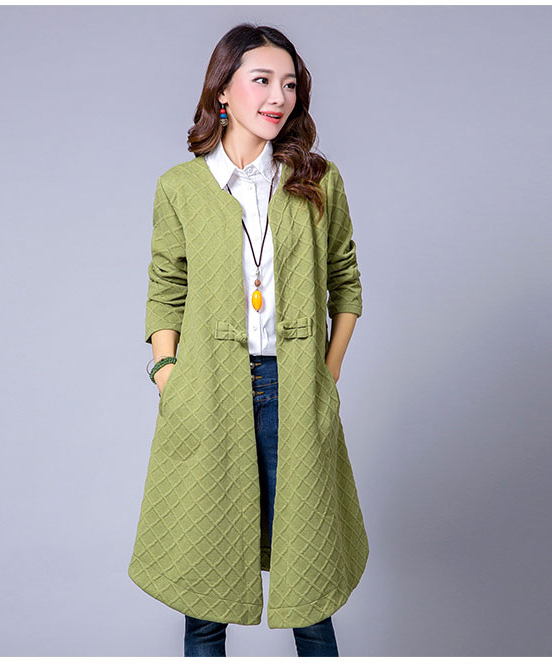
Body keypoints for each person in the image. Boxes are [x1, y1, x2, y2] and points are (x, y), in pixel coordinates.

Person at [128, 23, 369, 657]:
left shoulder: (318, 180)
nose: (278, 97)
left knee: (309, 588)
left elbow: (345, 284)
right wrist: (167, 374)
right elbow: (165, 288)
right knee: (205, 594)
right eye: (261, 80)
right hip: (207, 391)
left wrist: (326, 375)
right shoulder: (180, 188)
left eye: (289, 84)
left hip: (295, 389)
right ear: (223, 91)